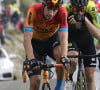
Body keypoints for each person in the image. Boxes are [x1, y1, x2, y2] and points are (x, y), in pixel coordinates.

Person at [24, 0, 69, 90]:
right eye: (48, 9)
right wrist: (31, 59)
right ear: (43, 6)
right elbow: (27, 39)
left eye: (55, 10)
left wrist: (65, 57)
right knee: (35, 82)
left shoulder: (62, 12)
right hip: (35, 44)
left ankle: (59, 86)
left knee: (61, 56)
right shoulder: (33, 10)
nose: (51, 14)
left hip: (52, 41)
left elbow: (64, 38)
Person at [64, 0, 100, 90]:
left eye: (82, 9)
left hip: (87, 40)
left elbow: (98, 34)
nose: (79, 12)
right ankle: (70, 78)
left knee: (90, 77)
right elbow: (59, 32)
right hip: (71, 39)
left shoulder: (91, 8)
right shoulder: (65, 9)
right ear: (71, 6)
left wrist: (84, 19)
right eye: (76, 9)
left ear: (86, 6)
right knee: (73, 59)